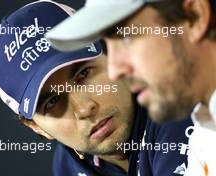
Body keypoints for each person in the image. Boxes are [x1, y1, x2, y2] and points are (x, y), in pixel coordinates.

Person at [0, 1, 193, 175]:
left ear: (110, 53)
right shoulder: (68, 165)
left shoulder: (175, 104)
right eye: (52, 101)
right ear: (36, 127)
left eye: (83, 74)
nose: (85, 108)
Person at [45, 0, 216, 175]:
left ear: (195, 17)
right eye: (109, 45)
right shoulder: (205, 131)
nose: (114, 70)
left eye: (125, 38)